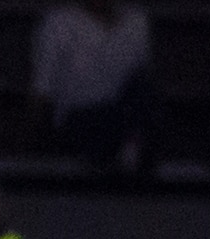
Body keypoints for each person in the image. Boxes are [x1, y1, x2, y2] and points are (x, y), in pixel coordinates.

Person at [31, 0, 154, 183]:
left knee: (141, 94)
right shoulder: (59, 22)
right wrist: (37, 137)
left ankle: (131, 151)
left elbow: (141, 78)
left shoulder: (136, 21)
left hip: (124, 116)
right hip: (77, 120)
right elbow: (42, 87)